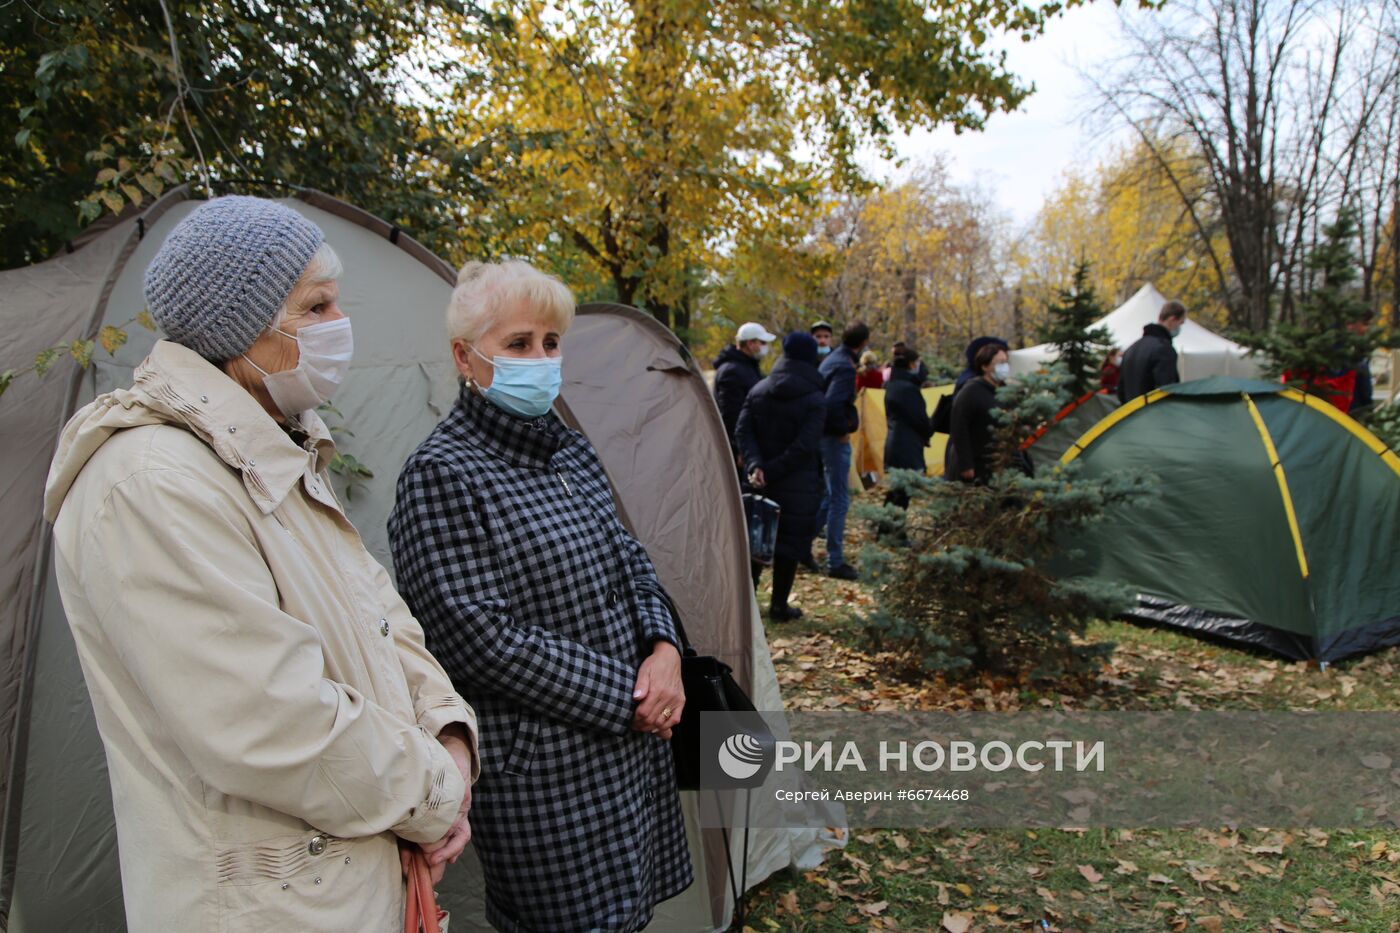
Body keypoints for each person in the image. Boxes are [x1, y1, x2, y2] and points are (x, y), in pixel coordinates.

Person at [42, 196, 479, 932]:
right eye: (317, 306)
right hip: (266, 910)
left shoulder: (274, 445)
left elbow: (379, 616)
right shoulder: (154, 482)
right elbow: (270, 721)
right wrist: (436, 792)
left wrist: (449, 734)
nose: (340, 325)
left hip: (351, 888)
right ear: (241, 328)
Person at [388, 259, 692, 932]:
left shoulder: (568, 450)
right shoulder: (441, 474)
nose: (541, 358)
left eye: (551, 342)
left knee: (628, 916)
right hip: (546, 772)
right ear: (466, 356)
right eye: (519, 343)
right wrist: (629, 695)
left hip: (631, 750)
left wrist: (665, 651)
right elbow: (479, 638)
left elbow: (631, 559)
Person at [736, 332, 826, 620]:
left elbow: (743, 430)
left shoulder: (759, 389)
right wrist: (767, 468)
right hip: (797, 483)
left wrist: (755, 466)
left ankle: (746, 608)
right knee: (789, 545)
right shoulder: (815, 398)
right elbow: (804, 446)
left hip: (760, 482)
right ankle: (778, 605)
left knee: (754, 541)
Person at [816, 320, 870, 580]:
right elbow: (833, 403)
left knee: (828, 497)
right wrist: (841, 432)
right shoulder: (845, 367)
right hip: (833, 439)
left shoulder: (834, 359)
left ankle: (801, 547)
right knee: (839, 498)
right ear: (863, 343)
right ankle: (835, 561)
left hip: (822, 435)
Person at [946, 342, 1011, 484]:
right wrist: (966, 465)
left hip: (997, 464)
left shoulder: (1005, 392)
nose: (1005, 367)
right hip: (975, 464)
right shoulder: (971, 392)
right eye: (1000, 363)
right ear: (985, 366)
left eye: (1006, 362)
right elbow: (959, 428)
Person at [883, 346, 934, 509]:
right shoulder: (907, 389)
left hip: (899, 445)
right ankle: (891, 531)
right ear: (912, 364)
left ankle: (893, 531)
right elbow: (918, 418)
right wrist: (930, 427)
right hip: (906, 447)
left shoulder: (894, 385)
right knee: (900, 495)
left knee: (898, 493)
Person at [713, 321, 776, 451]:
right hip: (739, 446)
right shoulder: (732, 371)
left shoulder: (748, 367)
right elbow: (731, 415)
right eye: (762, 343)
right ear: (750, 344)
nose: (765, 347)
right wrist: (741, 448)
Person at [1118, 300, 1186, 402]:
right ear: (1172, 319)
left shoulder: (1131, 348)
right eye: (1181, 323)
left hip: (1131, 413)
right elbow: (1166, 389)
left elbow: (1121, 389)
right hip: (1153, 414)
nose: (1180, 327)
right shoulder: (1164, 349)